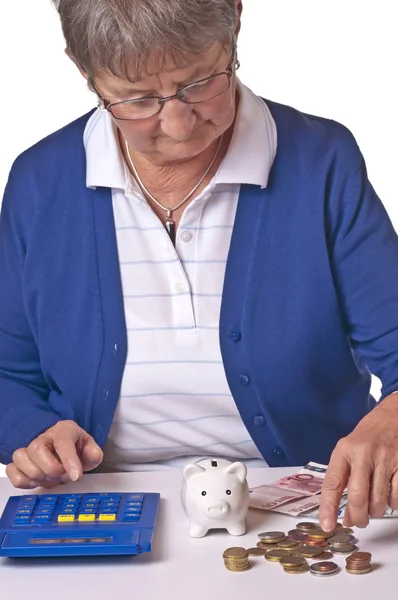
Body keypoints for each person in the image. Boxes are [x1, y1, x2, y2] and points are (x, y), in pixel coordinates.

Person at [1, 0, 398, 533]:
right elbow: (7, 372)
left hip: (305, 512)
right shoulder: (38, 181)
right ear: (82, 69)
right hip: (104, 504)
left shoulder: (321, 160)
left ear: (235, 19)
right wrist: (33, 430)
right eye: (137, 99)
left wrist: (391, 419)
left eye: (200, 82)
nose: (180, 123)